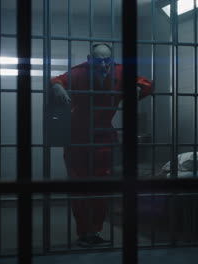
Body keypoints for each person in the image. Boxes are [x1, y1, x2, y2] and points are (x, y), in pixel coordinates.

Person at [50, 43, 153, 247]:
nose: (104, 64)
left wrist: (138, 89)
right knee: (79, 186)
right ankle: (84, 232)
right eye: (99, 60)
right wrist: (57, 86)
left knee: (102, 186)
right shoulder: (79, 72)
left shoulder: (120, 71)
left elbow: (148, 84)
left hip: (103, 136)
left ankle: (94, 231)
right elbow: (57, 79)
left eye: (107, 59)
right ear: (90, 59)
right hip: (77, 136)